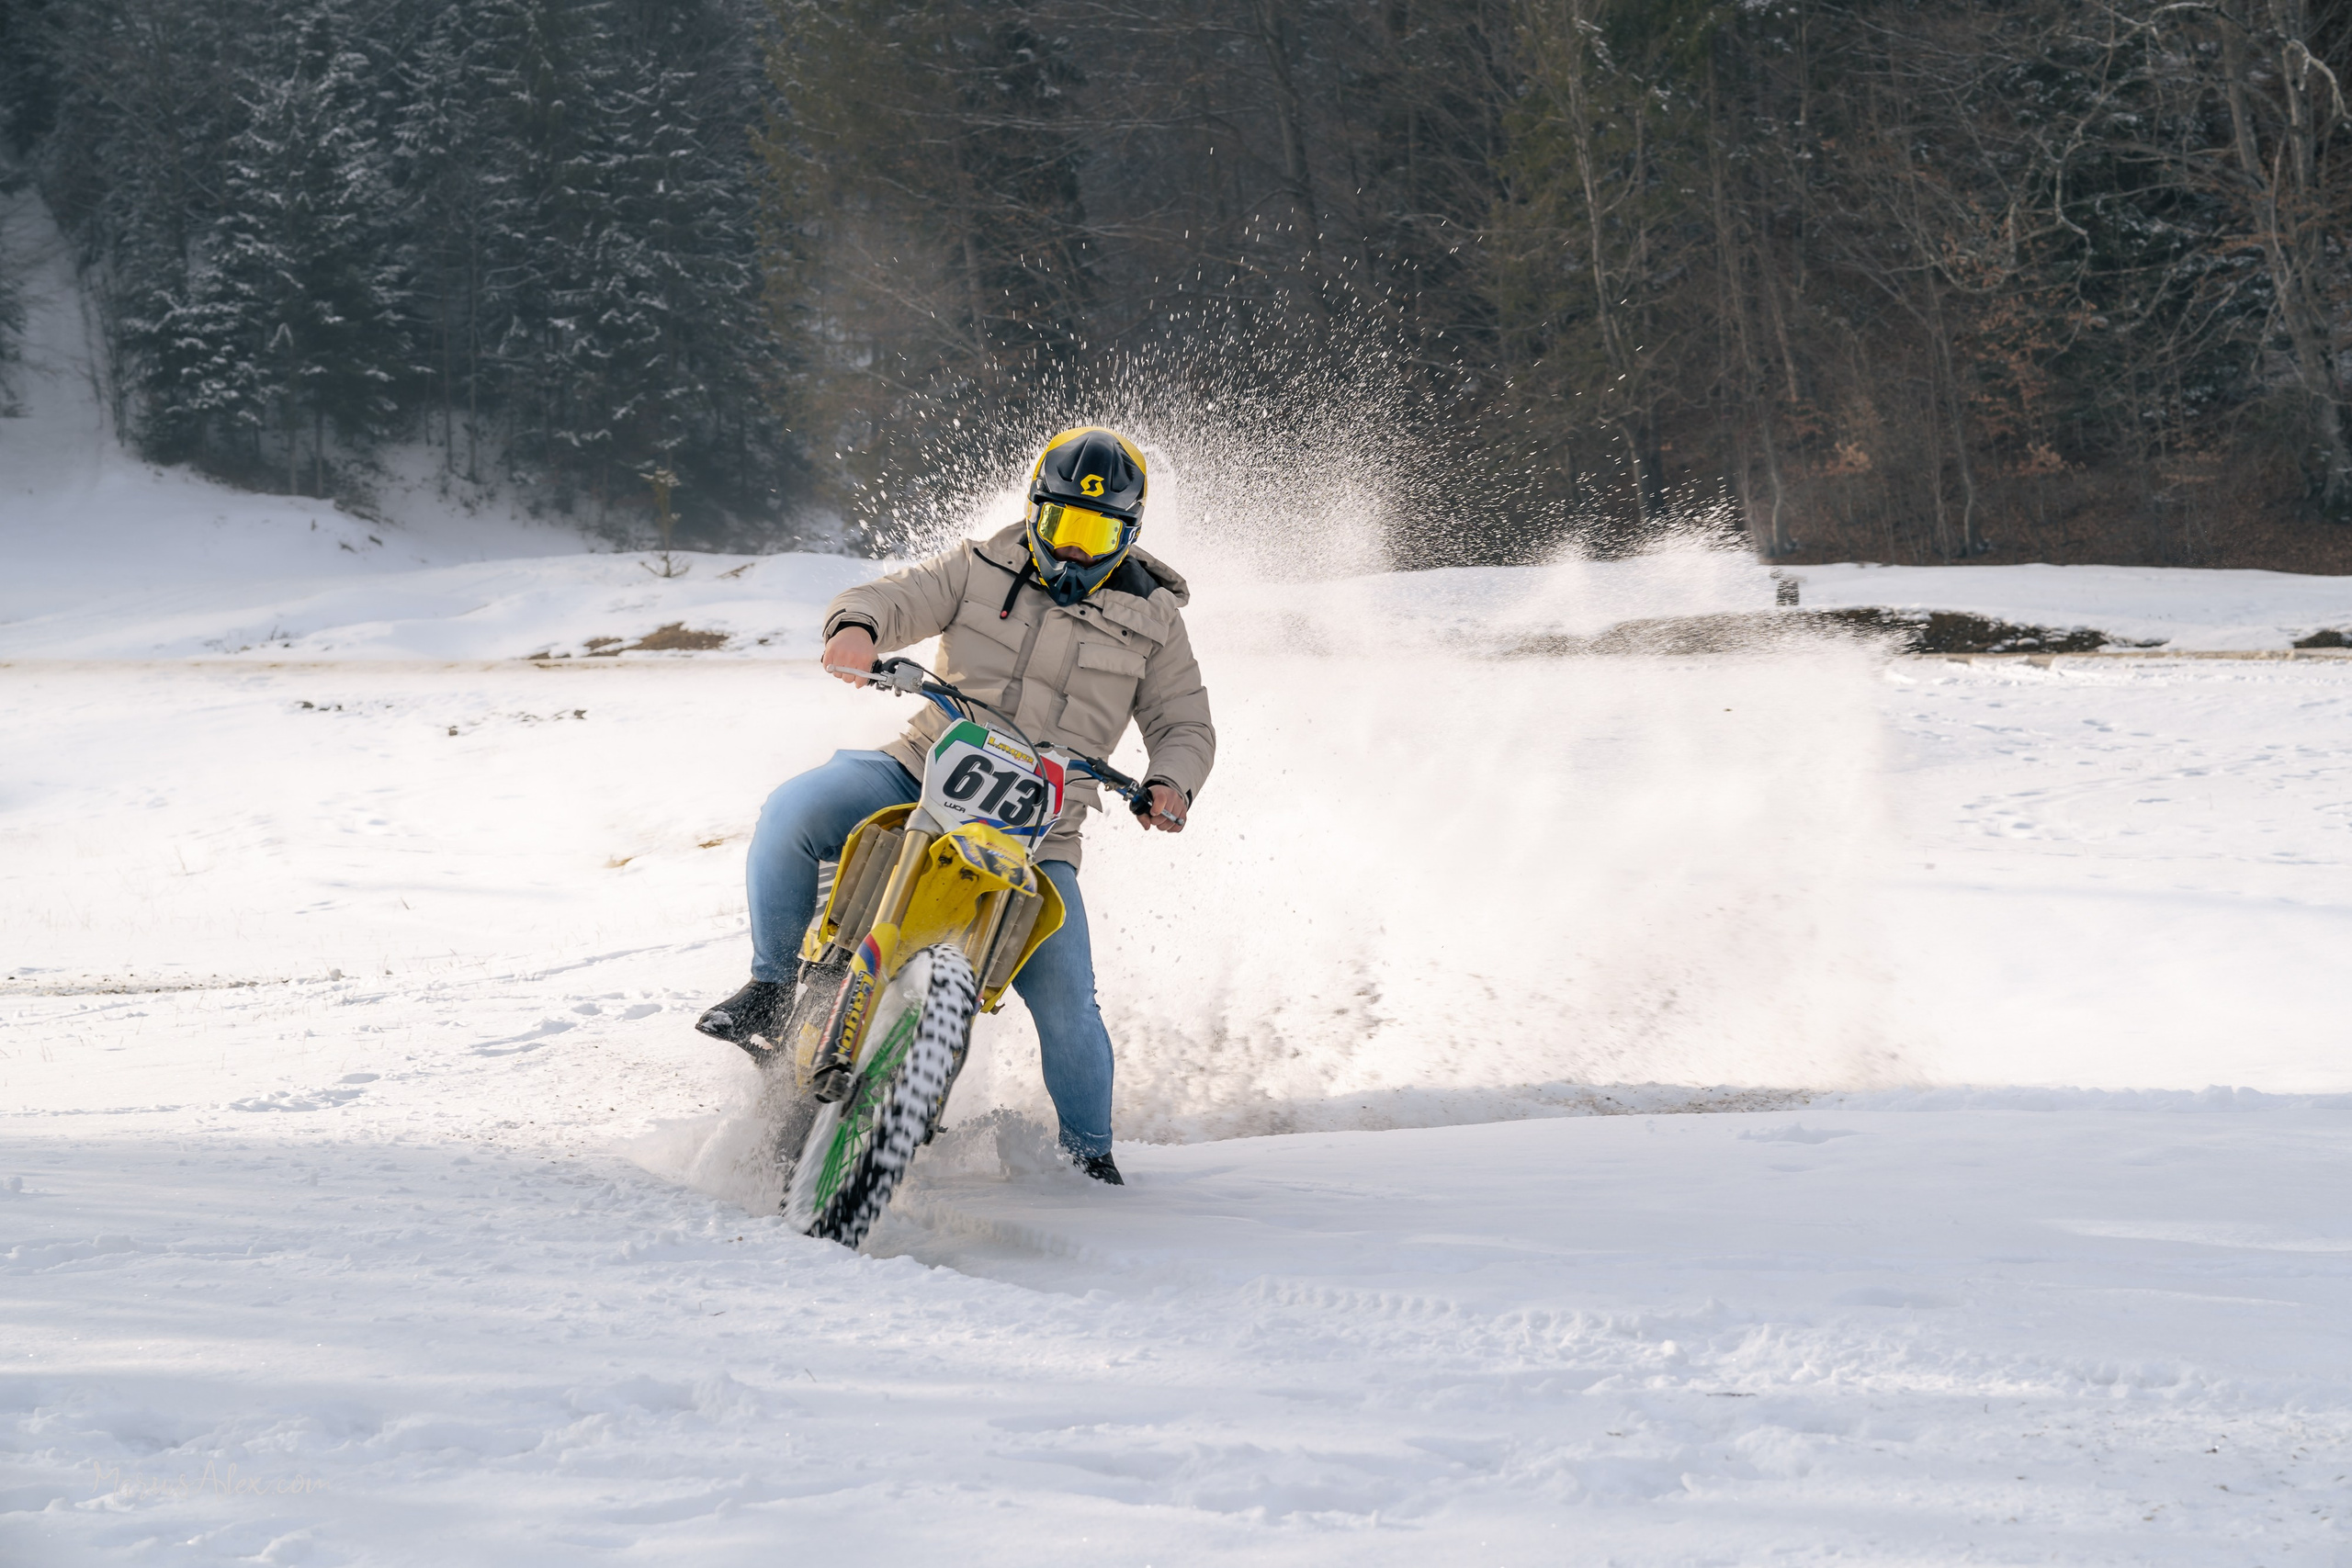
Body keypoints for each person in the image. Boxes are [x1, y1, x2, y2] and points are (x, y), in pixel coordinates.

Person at [695, 426, 1216, 1184]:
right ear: (1036, 511)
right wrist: (856, 627)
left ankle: (1089, 1162)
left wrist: (1171, 779)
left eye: (1097, 531)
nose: (1074, 549)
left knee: (1070, 1009)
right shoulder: (976, 567)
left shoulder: (1155, 620)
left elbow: (1185, 724)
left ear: (1127, 535)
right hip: (920, 772)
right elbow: (890, 597)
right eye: (1063, 524)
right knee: (793, 812)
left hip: (1041, 835)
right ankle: (772, 989)